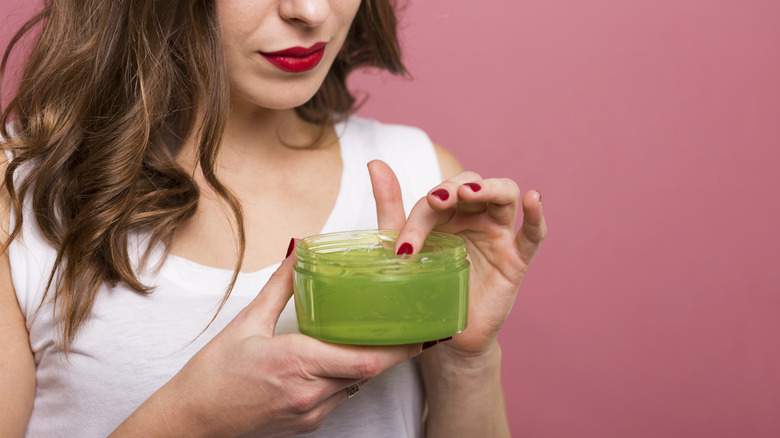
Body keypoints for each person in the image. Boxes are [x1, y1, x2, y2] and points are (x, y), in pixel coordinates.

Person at [0, 0, 547, 436]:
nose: (310, 12)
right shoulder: (17, 196)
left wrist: (465, 361)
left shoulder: (422, 180)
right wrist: (193, 419)